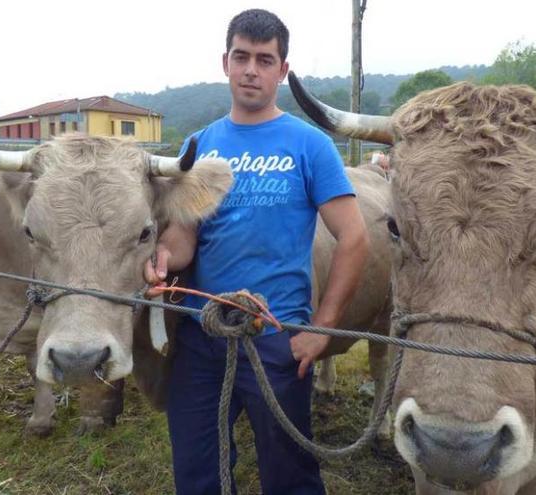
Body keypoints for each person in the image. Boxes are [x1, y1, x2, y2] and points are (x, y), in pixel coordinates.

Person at [143, 9, 369, 494]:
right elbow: (185, 235)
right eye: (242, 57)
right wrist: (164, 258)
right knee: (198, 472)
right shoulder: (199, 145)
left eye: (264, 60)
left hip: (277, 337)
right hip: (203, 338)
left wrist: (321, 330)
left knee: (290, 476)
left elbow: (354, 239)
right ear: (225, 62)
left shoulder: (310, 146)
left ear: (281, 71)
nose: (251, 69)